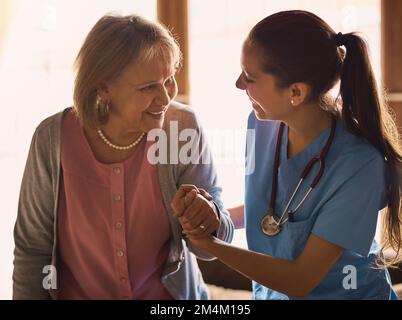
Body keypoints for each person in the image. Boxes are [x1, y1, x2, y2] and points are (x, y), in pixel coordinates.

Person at [172, 10, 402, 299]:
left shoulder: (359, 166)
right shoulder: (262, 123)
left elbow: (300, 280)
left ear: (296, 92)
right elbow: (277, 207)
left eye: (250, 77)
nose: (239, 84)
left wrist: (209, 245)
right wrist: (215, 216)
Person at [13, 14, 234, 300]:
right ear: (104, 87)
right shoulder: (52, 139)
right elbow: (33, 250)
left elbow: (209, 248)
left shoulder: (180, 129)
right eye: (148, 87)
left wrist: (209, 221)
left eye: (169, 80)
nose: (165, 98)